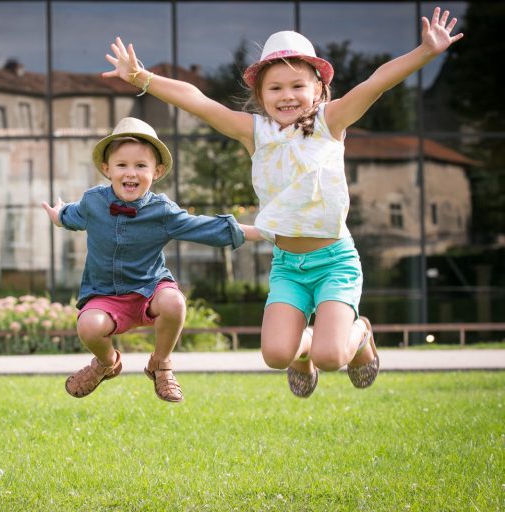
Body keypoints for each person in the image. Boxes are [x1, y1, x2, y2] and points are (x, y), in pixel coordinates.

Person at [103, 7, 463, 397]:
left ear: (318, 90)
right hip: (288, 266)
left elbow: (376, 83)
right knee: (276, 354)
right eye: (275, 88)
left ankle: (360, 335)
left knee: (331, 357)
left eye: (297, 86)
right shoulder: (255, 133)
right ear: (260, 95)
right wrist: (142, 77)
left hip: (334, 261)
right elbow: (197, 101)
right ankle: (301, 351)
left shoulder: (331, 123)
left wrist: (425, 53)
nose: (287, 96)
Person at [42, 117, 262, 402]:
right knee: (88, 327)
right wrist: (58, 216)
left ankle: (160, 364)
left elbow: (205, 228)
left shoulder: (163, 211)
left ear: (156, 172)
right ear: (107, 169)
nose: (130, 173)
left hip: (150, 290)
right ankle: (106, 363)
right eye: (122, 165)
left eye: (140, 166)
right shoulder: (93, 201)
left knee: (175, 302)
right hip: (105, 295)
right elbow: (71, 216)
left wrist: (264, 232)